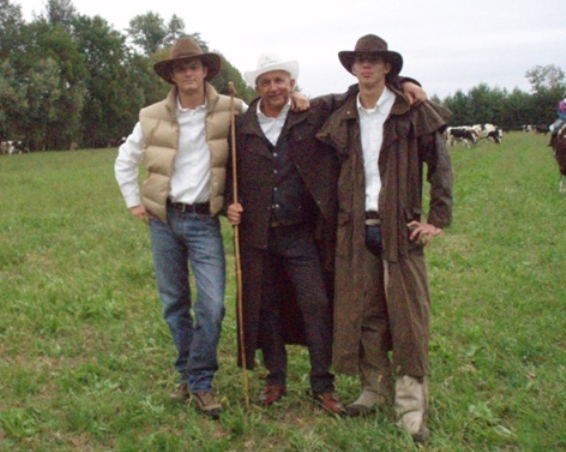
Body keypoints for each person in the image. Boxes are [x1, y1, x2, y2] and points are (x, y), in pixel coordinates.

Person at [225, 51, 428, 415]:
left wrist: (403, 82)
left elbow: (359, 89)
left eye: (280, 80)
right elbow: (229, 172)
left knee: (317, 304)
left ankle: (323, 383)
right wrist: (230, 202)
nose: (274, 88)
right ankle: (276, 379)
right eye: (266, 82)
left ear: (292, 83)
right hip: (257, 235)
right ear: (256, 87)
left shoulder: (312, 112)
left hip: (301, 233)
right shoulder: (241, 126)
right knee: (266, 308)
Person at [317, 34, 453, 443]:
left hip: (400, 228)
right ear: (352, 67)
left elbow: (440, 165)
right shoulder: (344, 111)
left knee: (409, 318)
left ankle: (411, 408)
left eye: (374, 60)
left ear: (387, 67)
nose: (366, 66)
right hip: (356, 227)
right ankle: (373, 388)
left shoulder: (410, 110)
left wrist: (437, 219)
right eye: (359, 60)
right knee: (366, 312)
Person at [114, 36, 245, 420]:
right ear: (172, 76)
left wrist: (298, 98)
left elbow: (271, 114)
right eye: (181, 68)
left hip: (205, 221)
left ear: (206, 71)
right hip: (164, 221)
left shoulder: (232, 108)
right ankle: (195, 379)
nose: (188, 73)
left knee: (213, 305)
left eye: (194, 66)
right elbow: (125, 160)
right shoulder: (151, 115)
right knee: (175, 304)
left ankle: (196, 378)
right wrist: (134, 201)